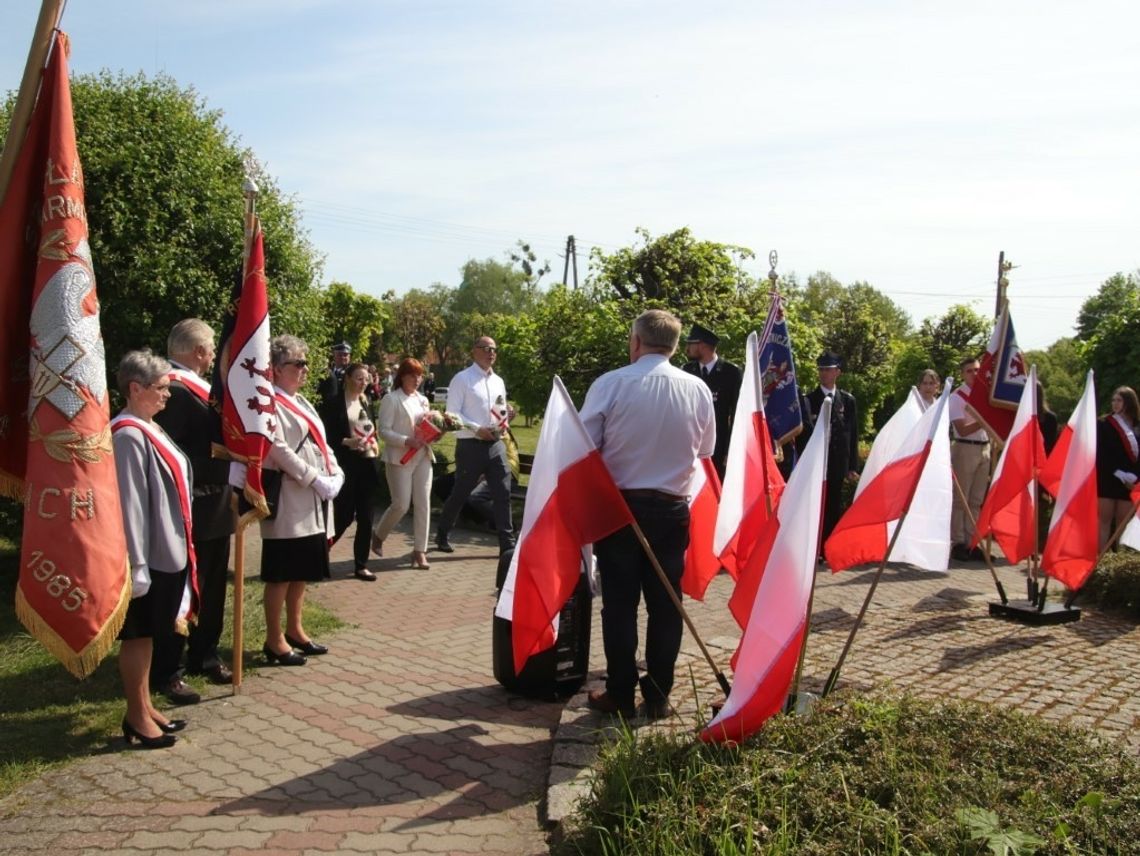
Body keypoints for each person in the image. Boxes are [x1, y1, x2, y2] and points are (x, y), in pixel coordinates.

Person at [580, 309, 715, 720]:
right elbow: (706, 451)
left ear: (636, 342)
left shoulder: (612, 384)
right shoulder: (697, 389)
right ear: (674, 346)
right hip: (672, 509)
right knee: (665, 605)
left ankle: (621, 693)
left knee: (620, 605)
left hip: (621, 508)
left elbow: (583, 446)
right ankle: (657, 695)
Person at [149, 319, 235, 706]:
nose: (215, 352)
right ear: (198, 352)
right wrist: (222, 469)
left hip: (215, 506)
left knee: (215, 584)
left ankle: (205, 653)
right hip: (189, 507)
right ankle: (169, 669)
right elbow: (169, 456)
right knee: (181, 589)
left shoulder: (199, 389)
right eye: (212, 346)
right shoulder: (175, 391)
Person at [111, 350, 193, 749]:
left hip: (166, 550)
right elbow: (130, 505)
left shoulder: (149, 427)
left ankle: (143, 707)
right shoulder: (127, 434)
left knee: (149, 636)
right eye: (161, 388)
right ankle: (136, 716)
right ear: (135, 388)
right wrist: (137, 565)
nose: (168, 395)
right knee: (138, 634)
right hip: (146, 557)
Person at [261, 335, 343, 665]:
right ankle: (273, 638)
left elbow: (322, 444)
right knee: (281, 573)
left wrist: (336, 473)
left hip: (313, 499)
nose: (305, 369)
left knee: (301, 572)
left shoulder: (302, 402)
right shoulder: (270, 403)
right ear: (278, 369)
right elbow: (276, 449)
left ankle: (295, 629)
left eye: (305, 363)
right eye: (298, 364)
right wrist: (314, 479)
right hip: (290, 496)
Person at [435, 336, 516, 554]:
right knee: (461, 492)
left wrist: (508, 415)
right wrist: (476, 428)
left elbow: (499, 411)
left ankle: (507, 543)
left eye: (494, 349)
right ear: (475, 352)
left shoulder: (498, 381)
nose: (491, 353)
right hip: (470, 445)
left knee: (502, 492)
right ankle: (442, 532)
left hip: (496, 444)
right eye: (486, 348)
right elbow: (452, 413)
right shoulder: (462, 379)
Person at [372, 358, 435, 569]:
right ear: (403, 376)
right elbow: (384, 431)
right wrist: (406, 440)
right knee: (401, 504)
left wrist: (436, 433)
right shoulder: (392, 399)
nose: (417, 379)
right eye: (412, 375)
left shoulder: (423, 400)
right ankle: (379, 535)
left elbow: (428, 426)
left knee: (423, 503)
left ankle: (420, 551)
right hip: (399, 458)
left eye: (420, 375)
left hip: (422, 456)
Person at [320, 362, 381, 581]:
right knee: (344, 515)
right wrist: (346, 441)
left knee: (367, 517)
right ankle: (320, 551)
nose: (363, 383)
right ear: (347, 378)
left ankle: (361, 565)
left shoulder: (367, 401)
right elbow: (324, 437)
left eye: (366, 379)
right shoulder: (333, 404)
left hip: (368, 465)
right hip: (346, 465)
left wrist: (373, 445)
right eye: (358, 378)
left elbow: (371, 430)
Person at [803, 351, 860, 546]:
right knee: (815, 504)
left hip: (837, 462)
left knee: (833, 504)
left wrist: (852, 465)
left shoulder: (847, 400)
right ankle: (814, 546)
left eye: (828, 370)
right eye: (821, 370)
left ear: (838, 372)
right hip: (817, 462)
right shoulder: (809, 399)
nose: (824, 373)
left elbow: (852, 434)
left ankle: (828, 545)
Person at [681, 323, 742, 480]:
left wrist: (731, 449)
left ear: (701, 346)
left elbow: (736, 413)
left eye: (691, 344)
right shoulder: (687, 370)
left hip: (719, 445)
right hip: (690, 445)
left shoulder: (731, 372)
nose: (687, 348)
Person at [949, 356, 991, 561]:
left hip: (984, 447)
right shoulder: (957, 397)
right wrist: (984, 420)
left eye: (976, 370)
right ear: (962, 374)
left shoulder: (986, 396)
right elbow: (962, 429)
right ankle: (957, 542)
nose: (974, 374)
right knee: (961, 499)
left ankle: (972, 541)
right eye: (969, 371)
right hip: (965, 448)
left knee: (976, 500)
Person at [1095, 386, 1140, 551]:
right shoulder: (1104, 423)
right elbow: (1100, 453)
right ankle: (1099, 563)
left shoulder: (1137, 427)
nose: (1115, 404)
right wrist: (1118, 473)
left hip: (1129, 483)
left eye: (1119, 400)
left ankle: (1117, 565)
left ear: (1129, 402)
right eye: (1113, 400)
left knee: (1122, 524)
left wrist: (1135, 478)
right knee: (1104, 522)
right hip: (1108, 478)